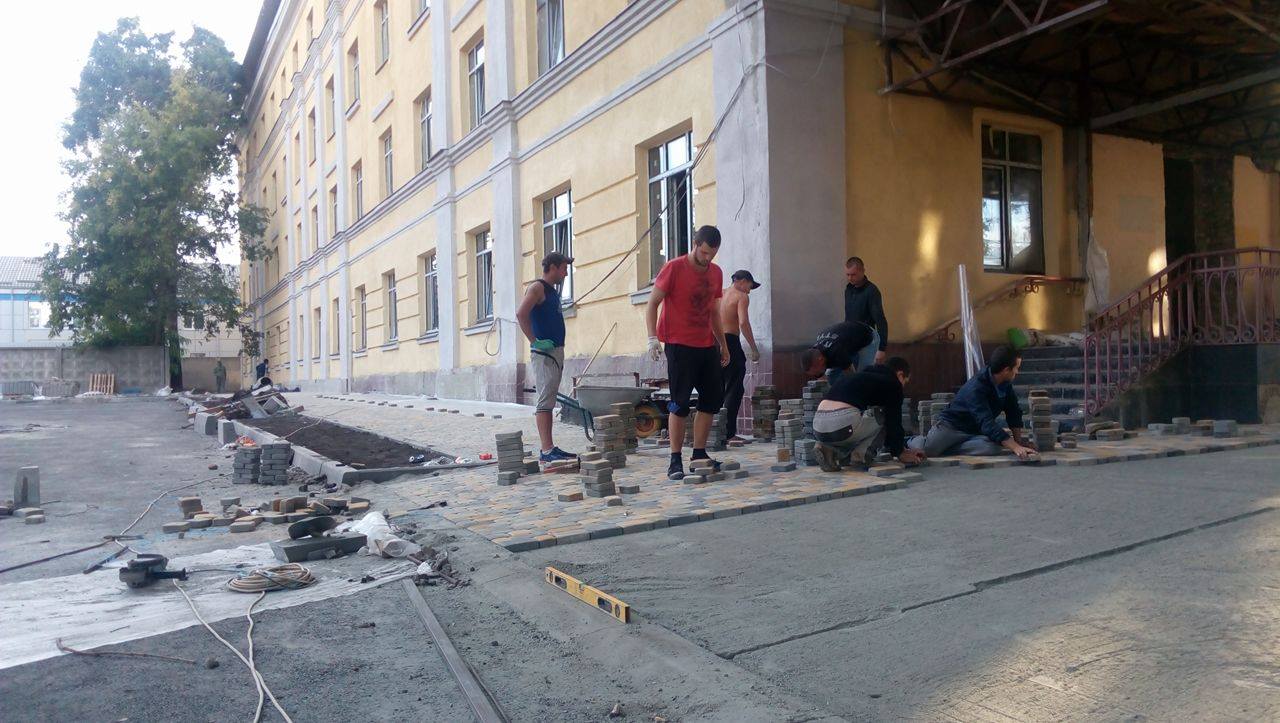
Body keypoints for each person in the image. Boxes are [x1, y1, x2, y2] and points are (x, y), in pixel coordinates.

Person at [646, 225, 729, 479]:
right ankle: (675, 460)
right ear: (695, 244)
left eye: (712, 254)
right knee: (679, 403)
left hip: (706, 345)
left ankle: (699, 454)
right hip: (679, 344)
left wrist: (723, 344)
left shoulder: (716, 273)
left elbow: (714, 312)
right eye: (704, 252)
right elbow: (652, 303)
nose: (707, 258)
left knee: (712, 399)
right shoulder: (674, 267)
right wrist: (652, 338)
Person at [911, 345, 1038, 459]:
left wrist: (1018, 443)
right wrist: (1015, 447)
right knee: (928, 451)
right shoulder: (976, 387)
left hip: (973, 432)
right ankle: (912, 440)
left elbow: (1013, 412)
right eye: (1016, 368)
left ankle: (948, 448)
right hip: (951, 427)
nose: (1017, 372)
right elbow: (986, 422)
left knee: (992, 448)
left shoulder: (1005, 384)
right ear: (1006, 370)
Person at [812, 357, 926, 471]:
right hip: (843, 422)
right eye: (905, 381)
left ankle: (829, 450)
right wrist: (900, 452)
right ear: (900, 375)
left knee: (856, 425)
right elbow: (893, 421)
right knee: (882, 415)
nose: (903, 386)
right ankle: (860, 456)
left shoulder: (861, 377)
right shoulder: (893, 383)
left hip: (818, 426)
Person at [516, 252, 577, 464]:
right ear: (552, 267)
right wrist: (535, 341)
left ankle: (549, 447)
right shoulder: (537, 288)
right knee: (545, 400)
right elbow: (521, 314)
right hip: (544, 354)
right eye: (564, 268)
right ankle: (546, 449)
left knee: (549, 400)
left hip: (554, 352)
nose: (566, 273)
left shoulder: (551, 291)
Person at [718, 269, 761, 442]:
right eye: (750, 286)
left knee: (718, 387)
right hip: (731, 342)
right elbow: (743, 322)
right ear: (742, 281)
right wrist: (754, 348)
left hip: (715, 342)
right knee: (734, 388)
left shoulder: (720, 294)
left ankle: (715, 432)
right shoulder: (741, 297)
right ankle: (729, 433)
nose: (749, 291)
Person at [844, 257, 889, 368]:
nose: (850, 278)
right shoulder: (849, 290)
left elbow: (880, 320)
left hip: (867, 343)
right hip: (851, 342)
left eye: (853, 275)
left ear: (862, 271)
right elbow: (848, 317)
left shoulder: (871, 291)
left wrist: (881, 348)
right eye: (847, 275)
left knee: (865, 374)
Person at [800, 321, 875, 383]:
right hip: (848, 341)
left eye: (817, 373)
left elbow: (850, 376)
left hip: (867, 335)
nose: (817, 375)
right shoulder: (817, 351)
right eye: (816, 375)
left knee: (862, 376)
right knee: (832, 378)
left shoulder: (837, 352)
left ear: (821, 360)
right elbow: (823, 380)